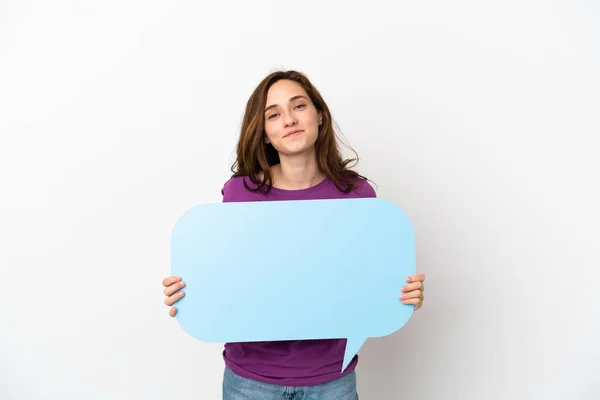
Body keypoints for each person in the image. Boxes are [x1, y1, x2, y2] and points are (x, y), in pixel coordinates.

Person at [162, 69, 426, 399]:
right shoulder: (240, 193)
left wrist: (401, 295)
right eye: (274, 114)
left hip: (332, 381)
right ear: (265, 134)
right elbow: (233, 276)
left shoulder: (356, 194)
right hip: (250, 381)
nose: (289, 119)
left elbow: (368, 282)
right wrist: (191, 292)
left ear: (319, 115)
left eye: (298, 106)